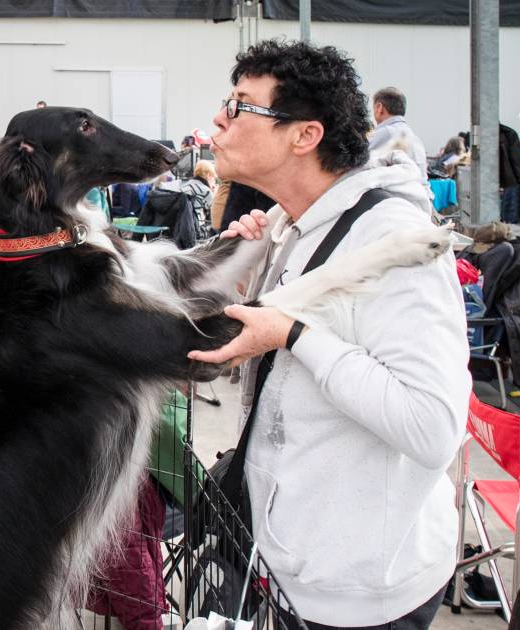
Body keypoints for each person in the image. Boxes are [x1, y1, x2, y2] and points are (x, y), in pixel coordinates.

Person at [186, 40, 469, 629]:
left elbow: (432, 427)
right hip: (291, 559)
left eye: (241, 106)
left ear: (303, 135)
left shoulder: (392, 241)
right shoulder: (294, 225)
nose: (220, 118)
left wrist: (291, 332)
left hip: (359, 590)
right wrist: (249, 279)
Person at [367, 86, 428, 185]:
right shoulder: (414, 137)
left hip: (398, 197)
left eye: (374, 108)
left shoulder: (386, 132)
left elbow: (361, 164)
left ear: (379, 107)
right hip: (422, 195)